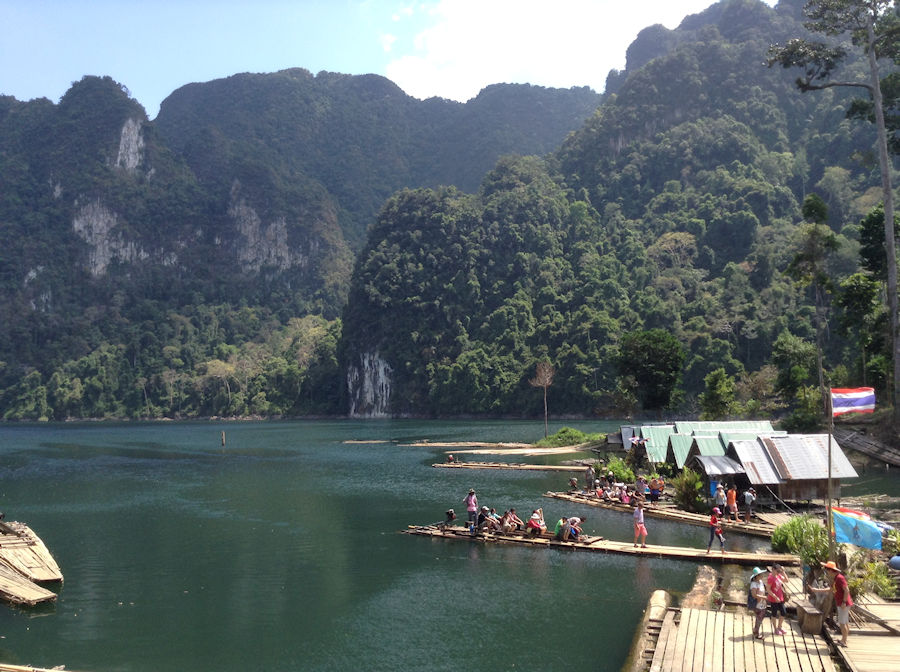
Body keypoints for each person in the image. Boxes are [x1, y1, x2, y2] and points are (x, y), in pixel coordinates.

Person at [810, 560, 854, 648]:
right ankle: (844, 639)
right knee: (844, 622)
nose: (826, 571)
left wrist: (844, 602)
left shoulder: (840, 578)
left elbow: (847, 590)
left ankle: (844, 641)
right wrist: (817, 590)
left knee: (842, 623)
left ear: (830, 570)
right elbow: (831, 589)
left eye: (826, 569)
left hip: (843, 603)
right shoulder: (836, 578)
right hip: (842, 602)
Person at [766, 563, 788, 635]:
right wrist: (775, 596)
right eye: (777, 571)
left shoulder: (778, 575)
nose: (778, 572)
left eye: (779, 571)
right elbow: (768, 590)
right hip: (773, 599)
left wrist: (783, 571)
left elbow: (786, 580)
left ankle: (779, 627)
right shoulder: (770, 578)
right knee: (774, 614)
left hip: (780, 598)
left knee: (783, 612)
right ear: (773, 569)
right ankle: (775, 629)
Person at [750, 567, 768, 639]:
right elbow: (754, 595)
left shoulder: (760, 582)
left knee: (761, 617)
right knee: (759, 617)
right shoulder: (753, 584)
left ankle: (756, 630)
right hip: (757, 604)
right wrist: (764, 597)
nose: (762, 575)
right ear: (756, 576)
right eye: (760, 574)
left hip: (762, 603)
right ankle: (756, 632)